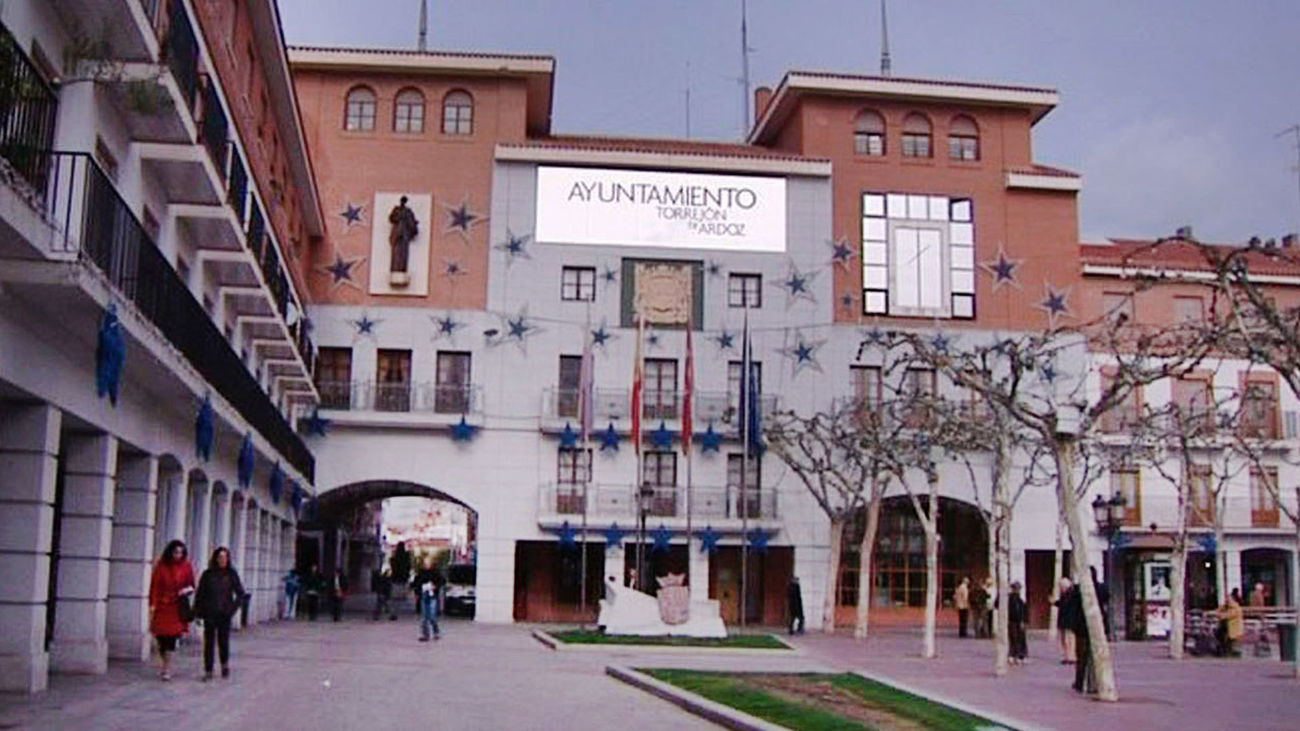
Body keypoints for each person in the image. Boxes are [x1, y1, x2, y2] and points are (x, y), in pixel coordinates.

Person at [193, 547, 246, 681]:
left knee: (223, 641)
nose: (222, 560)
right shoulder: (208, 574)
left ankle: (224, 665)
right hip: (209, 613)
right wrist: (197, 612)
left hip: (224, 613)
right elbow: (200, 595)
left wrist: (232, 609)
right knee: (208, 643)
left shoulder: (231, 574)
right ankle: (208, 670)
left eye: (225, 557)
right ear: (215, 558)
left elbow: (241, 594)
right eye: (220, 557)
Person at [148, 539, 195, 682]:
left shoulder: (186, 566)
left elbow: (192, 584)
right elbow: (154, 585)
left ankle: (166, 668)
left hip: (176, 607)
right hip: (163, 606)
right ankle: (164, 661)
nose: (178, 555)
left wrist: (185, 591)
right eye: (176, 552)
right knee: (160, 637)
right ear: (170, 552)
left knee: (172, 638)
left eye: (181, 553)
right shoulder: (161, 566)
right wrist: (153, 604)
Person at [413, 557, 443, 641]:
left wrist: (435, 586)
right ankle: (425, 634)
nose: (427, 564)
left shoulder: (435, 572)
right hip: (424, 596)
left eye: (428, 562)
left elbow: (441, 581)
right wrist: (417, 593)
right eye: (425, 563)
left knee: (432, 616)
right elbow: (416, 583)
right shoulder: (421, 573)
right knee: (424, 617)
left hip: (432, 596)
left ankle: (436, 632)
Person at [1215, 588, 1244, 657]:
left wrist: (1221, 615)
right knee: (1223, 638)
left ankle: (1231, 652)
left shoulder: (1235, 608)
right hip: (1228, 628)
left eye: (1229, 599)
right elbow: (1219, 611)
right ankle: (1227, 651)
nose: (1227, 600)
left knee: (1229, 641)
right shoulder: (1227, 607)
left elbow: (1227, 615)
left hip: (1233, 629)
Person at [1054, 576, 1076, 664]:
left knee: (1069, 639)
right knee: (1064, 640)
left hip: (1069, 621)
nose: (1060, 588)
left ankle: (1071, 656)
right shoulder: (1065, 595)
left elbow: (1066, 606)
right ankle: (1067, 655)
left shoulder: (1071, 595)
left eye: (1061, 586)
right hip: (1064, 620)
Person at [1008, 581, 1028, 664]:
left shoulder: (1019, 599)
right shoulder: (1011, 599)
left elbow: (1023, 610)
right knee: (1015, 638)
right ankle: (1015, 655)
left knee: (1019, 638)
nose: (1018, 590)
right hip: (1013, 621)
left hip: (1017, 621)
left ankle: (1018, 655)